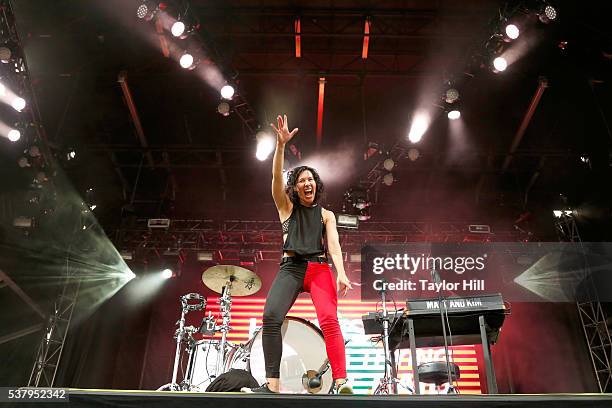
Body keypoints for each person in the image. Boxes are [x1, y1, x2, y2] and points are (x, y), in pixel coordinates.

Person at [242, 115, 353, 394]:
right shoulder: (286, 208)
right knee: (270, 317)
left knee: (329, 320)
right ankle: (272, 385)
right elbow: (275, 177)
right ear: (295, 187)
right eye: (302, 180)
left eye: (311, 179)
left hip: (318, 269)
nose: (307, 183)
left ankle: (341, 382)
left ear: (316, 185)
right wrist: (280, 146)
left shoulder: (326, 215)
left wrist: (341, 273)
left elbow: (335, 246)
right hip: (291, 268)